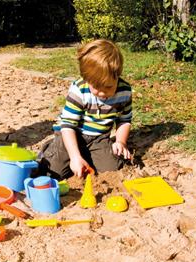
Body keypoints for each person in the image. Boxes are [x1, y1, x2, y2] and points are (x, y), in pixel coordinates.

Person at [38, 39, 132, 179]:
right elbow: (68, 125)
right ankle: (52, 149)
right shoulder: (79, 90)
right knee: (51, 172)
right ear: (86, 79)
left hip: (99, 139)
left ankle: (86, 156)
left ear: (117, 76)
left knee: (112, 170)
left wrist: (120, 142)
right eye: (96, 87)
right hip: (71, 135)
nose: (101, 93)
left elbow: (124, 120)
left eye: (108, 87)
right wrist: (75, 157)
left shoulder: (124, 92)